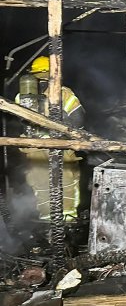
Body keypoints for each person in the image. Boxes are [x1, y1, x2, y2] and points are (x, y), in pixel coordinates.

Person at [14, 55, 84, 221]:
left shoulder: (21, 96)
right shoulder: (63, 92)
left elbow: (21, 121)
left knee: (39, 178)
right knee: (67, 179)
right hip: (61, 145)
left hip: (34, 145)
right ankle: (68, 219)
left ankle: (47, 218)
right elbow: (78, 118)